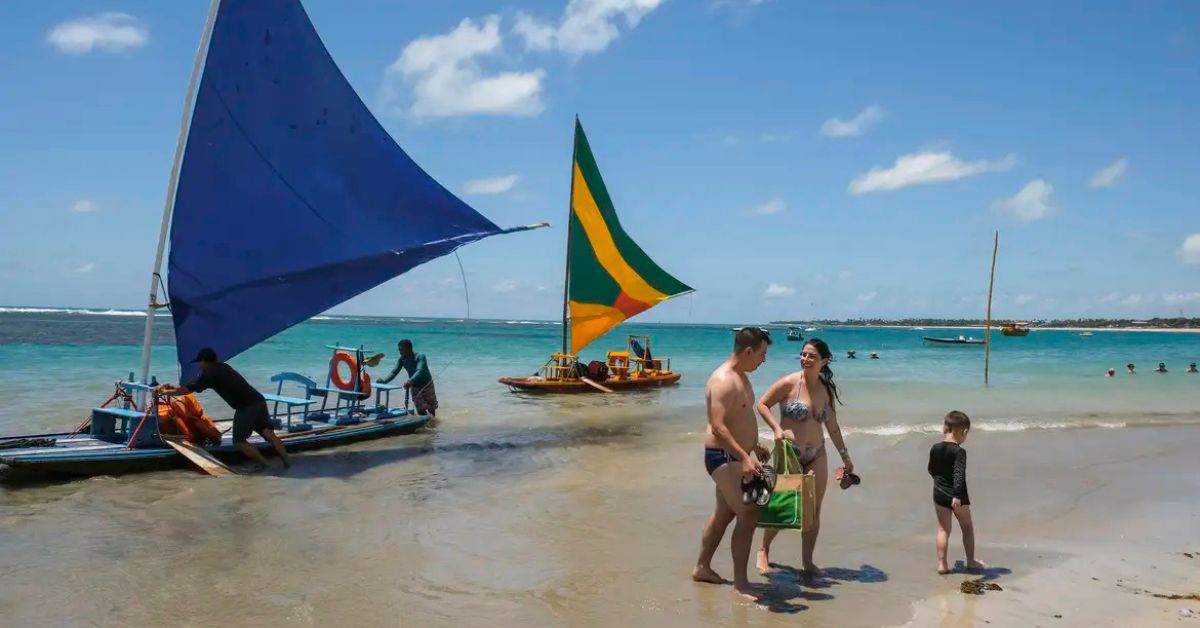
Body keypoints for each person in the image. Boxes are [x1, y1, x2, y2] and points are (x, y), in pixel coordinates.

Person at [753, 338, 853, 575]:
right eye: (803, 354)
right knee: (783, 507)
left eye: (811, 356)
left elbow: (833, 427)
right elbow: (763, 404)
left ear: (824, 361)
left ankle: (807, 562)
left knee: (813, 511)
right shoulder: (789, 383)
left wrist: (845, 457)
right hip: (791, 453)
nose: (805, 359)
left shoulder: (826, 389)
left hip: (817, 454)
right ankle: (763, 549)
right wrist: (776, 429)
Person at [693, 327, 773, 599]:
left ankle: (702, 567)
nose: (764, 360)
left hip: (738, 455)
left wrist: (754, 445)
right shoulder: (723, 379)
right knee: (749, 514)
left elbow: (739, 420)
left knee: (724, 515)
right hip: (723, 457)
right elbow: (718, 427)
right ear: (748, 351)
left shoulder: (743, 377)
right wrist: (744, 455)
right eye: (762, 354)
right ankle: (741, 584)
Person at [157, 347, 290, 469]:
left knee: (239, 441)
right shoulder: (223, 367)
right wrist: (173, 388)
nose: (199, 365)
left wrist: (166, 392)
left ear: (205, 362)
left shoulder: (209, 373)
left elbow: (187, 390)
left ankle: (266, 466)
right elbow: (191, 385)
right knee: (268, 433)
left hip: (246, 407)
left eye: (200, 362)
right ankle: (287, 464)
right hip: (258, 400)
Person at [929, 410, 985, 575]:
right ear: (964, 432)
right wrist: (956, 495)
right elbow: (959, 475)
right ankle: (971, 562)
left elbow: (931, 470)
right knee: (967, 527)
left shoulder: (935, 448)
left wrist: (939, 482)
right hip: (957, 496)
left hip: (938, 493)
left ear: (945, 428)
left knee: (943, 529)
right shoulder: (960, 452)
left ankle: (942, 564)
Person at [378, 339, 437, 417]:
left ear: (409, 349)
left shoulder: (420, 357)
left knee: (431, 407)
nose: (400, 352)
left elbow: (419, 370)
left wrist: (410, 381)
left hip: (426, 384)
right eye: (399, 350)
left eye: (402, 350)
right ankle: (424, 423)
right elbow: (394, 372)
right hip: (414, 385)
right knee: (420, 407)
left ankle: (433, 422)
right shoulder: (401, 359)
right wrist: (384, 381)